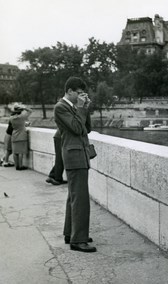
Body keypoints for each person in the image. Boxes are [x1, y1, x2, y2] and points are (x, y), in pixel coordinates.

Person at [54, 76, 96, 253]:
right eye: (78, 93)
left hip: (79, 155)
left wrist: (84, 107)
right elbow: (77, 129)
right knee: (81, 199)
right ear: (69, 91)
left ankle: (70, 233)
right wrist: (80, 107)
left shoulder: (73, 107)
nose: (81, 96)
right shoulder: (61, 107)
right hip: (74, 156)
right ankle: (78, 240)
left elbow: (87, 128)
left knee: (74, 196)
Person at [9, 103, 32, 170]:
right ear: (20, 111)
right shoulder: (22, 117)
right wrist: (24, 107)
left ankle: (16, 166)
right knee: (20, 152)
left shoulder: (11, 118)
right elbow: (30, 111)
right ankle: (20, 166)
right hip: (22, 136)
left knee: (15, 152)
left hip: (14, 136)